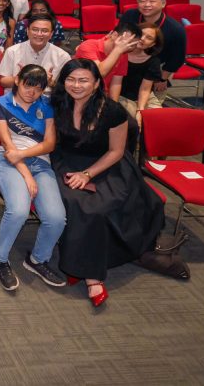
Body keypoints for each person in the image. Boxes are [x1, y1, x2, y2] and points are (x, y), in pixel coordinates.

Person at [49, 59, 165, 306]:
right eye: (70, 79)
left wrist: (88, 174)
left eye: (83, 80)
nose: (76, 85)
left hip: (105, 164)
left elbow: (115, 151)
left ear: (96, 83)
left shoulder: (112, 111)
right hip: (66, 162)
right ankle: (79, 266)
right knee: (74, 201)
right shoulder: (56, 103)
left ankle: (90, 274)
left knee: (97, 207)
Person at [0, 65, 66, 291]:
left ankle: (37, 259)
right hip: (8, 163)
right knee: (19, 211)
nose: (32, 92)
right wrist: (26, 176)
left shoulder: (47, 106)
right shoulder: (1, 104)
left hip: (40, 164)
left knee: (56, 218)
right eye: (27, 85)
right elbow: (8, 147)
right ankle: (1, 259)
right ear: (18, 81)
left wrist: (24, 156)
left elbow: (50, 144)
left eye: (38, 88)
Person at [119, 0, 187, 106]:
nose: (147, 5)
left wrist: (163, 78)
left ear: (163, 3)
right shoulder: (130, 15)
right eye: (142, 1)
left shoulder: (175, 29)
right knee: (125, 97)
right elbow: (119, 35)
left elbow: (177, 58)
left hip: (159, 67)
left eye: (152, 1)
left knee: (151, 101)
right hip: (128, 60)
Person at [0, 14, 71, 94]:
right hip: (16, 97)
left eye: (44, 31)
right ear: (27, 31)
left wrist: (51, 83)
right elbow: (3, 82)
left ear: (51, 34)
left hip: (46, 99)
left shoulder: (63, 56)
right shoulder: (12, 51)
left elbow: (66, 88)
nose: (39, 34)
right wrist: (22, 77)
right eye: (35, 30)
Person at [74, 23, 142, 100]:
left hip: (101, 96)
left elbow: (116, 83)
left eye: (134, 44)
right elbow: (99, 73)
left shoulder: (122, 54)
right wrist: (118, 50)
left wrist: (114, 105)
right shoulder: (88, 45)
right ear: (114, 35)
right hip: (80, 95)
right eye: (128, 42)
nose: (129, 47)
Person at [119, 24, 165, 122]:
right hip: (120, 95)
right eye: (141, 34)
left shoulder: (153, 61)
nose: (143, 39)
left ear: (152, 44)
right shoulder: (118, 52)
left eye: (149, 38)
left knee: (159, 119)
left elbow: (145, 89)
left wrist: (140, 110)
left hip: (144, 96)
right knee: (132, 121)